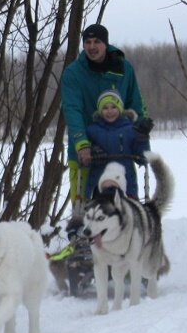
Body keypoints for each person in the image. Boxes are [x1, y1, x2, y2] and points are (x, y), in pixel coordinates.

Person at [60, 23, 150, 221]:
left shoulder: (123, 68)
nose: (92, 47)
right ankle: (81, 240)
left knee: (123, 202)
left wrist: (143, 146)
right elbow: (72, 111)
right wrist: (81, 144)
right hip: (85, 148)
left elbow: (136, 105)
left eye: (97, 42)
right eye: (88, 42)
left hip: (121, 147)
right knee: (83, 201)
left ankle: (126, 240)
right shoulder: (73, 73)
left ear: (105, 44)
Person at [84, 89, 149, 198]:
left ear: (120, 108)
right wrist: (92, 151)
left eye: (113, 107)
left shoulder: (131, 130)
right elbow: (83, 158)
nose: (110, 111)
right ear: (100, 111)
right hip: (98, 186)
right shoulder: (92, 131)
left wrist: (142, 138)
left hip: (126, 186)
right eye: (105, 108)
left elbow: (142, 158)